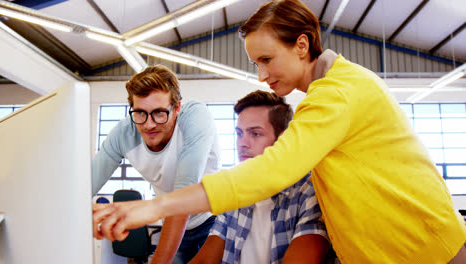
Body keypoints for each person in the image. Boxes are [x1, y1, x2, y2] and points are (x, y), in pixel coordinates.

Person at [93, 1, 466, 263]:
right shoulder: (329, 91)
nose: (261, 75)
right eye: (256, 63)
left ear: (302, 45)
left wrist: (153, 206)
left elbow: (272, 172)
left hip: (426, 249)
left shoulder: (338, 92)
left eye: (267, 60)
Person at [91, 65, 221, 264]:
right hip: (172, 222)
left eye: (159, 113)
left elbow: (183, 196)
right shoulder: (124, 132)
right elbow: (85, 187)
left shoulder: (195, 117)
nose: (149, 124)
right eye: (140, 113)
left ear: (176, 108)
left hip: (211, 221)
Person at [189, 90, 332, 264]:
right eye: (240, 133)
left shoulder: (308, 191)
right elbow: (205, 260)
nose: (242, 143)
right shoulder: (235, 190)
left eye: (255, 134)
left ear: (282, 140)